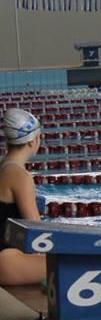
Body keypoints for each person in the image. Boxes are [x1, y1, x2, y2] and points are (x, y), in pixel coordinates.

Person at [0, 108, 46, 286]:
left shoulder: (3, 166)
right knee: (77, 264)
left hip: (6, 258)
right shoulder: (20, 176)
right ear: (33, 140)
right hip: (7, 262)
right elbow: (38, 232)